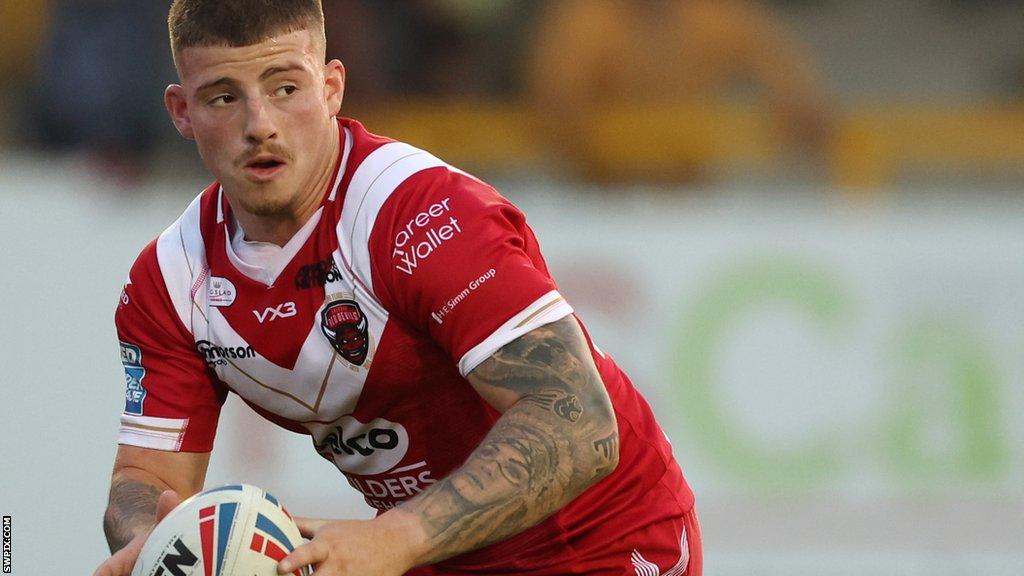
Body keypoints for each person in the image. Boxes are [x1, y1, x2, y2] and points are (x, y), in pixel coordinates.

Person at [94, 2, 700, 575]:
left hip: (603, 540)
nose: (260, 125)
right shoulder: (171, 282)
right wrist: (154, 545)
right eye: (223, 97)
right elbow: (145, 479)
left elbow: (580, 424)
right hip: (436, 555)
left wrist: (396, 537)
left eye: (286, 88)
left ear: (332, 87)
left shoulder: (421, 215)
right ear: (180, 111)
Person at [527, 0, 834, 183]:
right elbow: (556, 104)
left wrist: (800, 111)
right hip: (602, 198)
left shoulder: (714, 14)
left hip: (689, 197)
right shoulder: (587, 18)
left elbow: (788, 78)